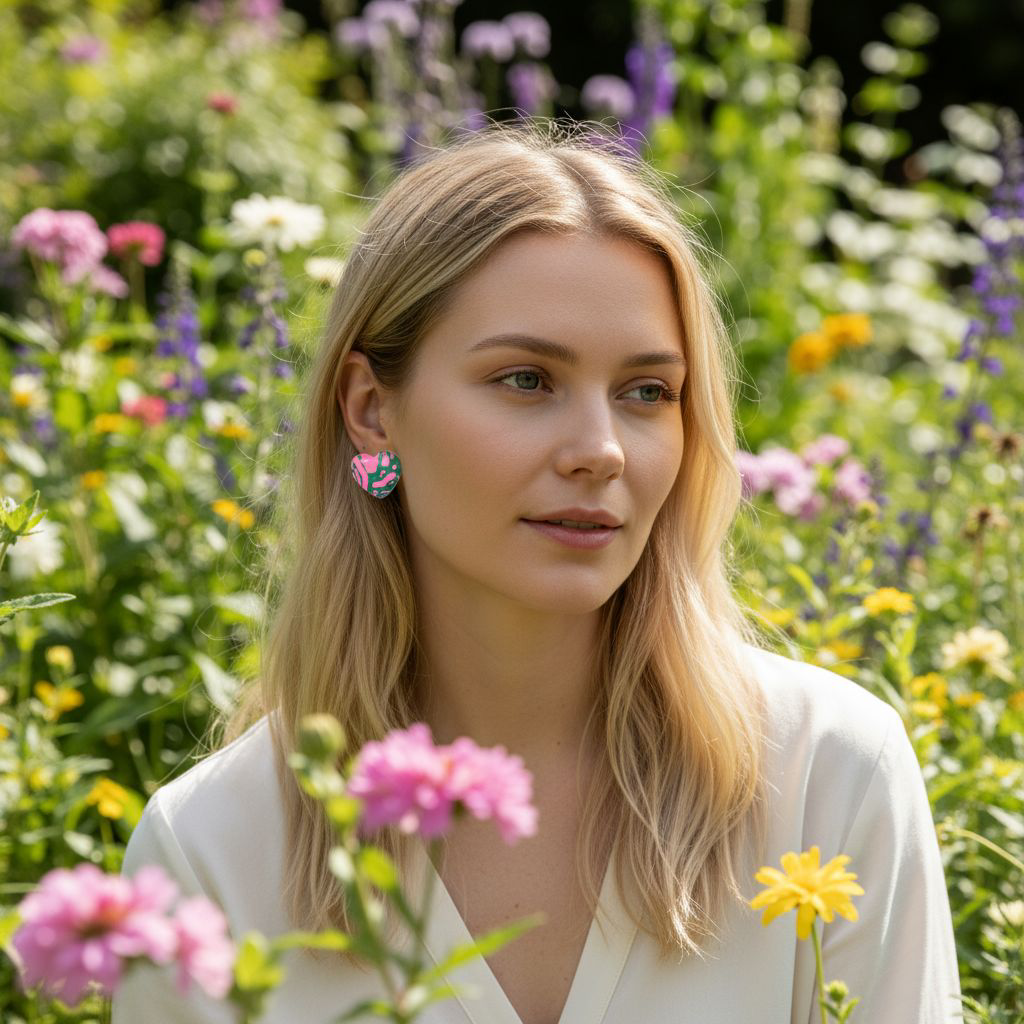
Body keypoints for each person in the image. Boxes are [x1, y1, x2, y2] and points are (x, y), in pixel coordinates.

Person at [113, 120, 963, 1024]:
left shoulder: (830, 778)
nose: (600, 451)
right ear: (371, 411)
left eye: (647, 393)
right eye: (526, 380)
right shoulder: (211, 852)